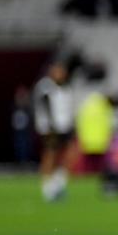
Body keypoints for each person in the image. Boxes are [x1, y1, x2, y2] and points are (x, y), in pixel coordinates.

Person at [33, 61, 76, 201]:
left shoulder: (66, 87)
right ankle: (47, 186)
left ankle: (58, 180)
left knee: (72, 152)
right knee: (50, 154)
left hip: (65, 125)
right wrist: (51, 126)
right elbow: (46, 106)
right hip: (51, 127)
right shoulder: (46, 86)